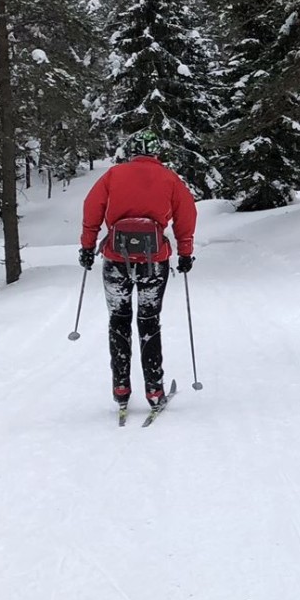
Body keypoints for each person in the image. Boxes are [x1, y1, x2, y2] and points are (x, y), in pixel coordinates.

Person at [79, 128, 197, 415]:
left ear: (131, 151)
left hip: (116, 259)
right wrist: (185, 252)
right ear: (157, 152)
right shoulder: (169, 178)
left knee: (118, 321)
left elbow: (91, 208)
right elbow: (186, 213)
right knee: (148, 321)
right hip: (153, 260)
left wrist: (87, 246)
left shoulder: (113, 175)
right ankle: (154, 391)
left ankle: (121, 389)